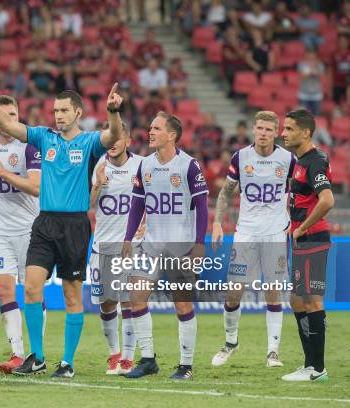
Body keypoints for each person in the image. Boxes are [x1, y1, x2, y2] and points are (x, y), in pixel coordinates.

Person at [0, 69, 123, 378]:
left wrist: (112, 112)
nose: (58, 116)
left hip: (75, 225)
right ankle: (37, 356)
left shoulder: (90, 142)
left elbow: (114, 136)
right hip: (44, 223)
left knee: (71, 294)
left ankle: (66, 362)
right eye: (55, 110)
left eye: (64, 110)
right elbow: (5, 123)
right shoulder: (43, 137)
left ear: (78, 112)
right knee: (31, 288)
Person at [122, 111, 208, 380]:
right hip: (150, 245)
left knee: (182, 305)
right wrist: (128, 237)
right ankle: (148, 360)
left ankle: (186, 365)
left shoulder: (189, 166)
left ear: (171, 135)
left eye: (156, 128)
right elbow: (137, 204)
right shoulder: (144, 165)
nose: (150, 132)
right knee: (136, 296)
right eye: (150, 127)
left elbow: (203, 207)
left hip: (180, 247)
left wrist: (199, 245)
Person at [210, 111, 295, 368]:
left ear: (276, 132)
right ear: (253, 129)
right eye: (259, 128)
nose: (263, 133)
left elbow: (298, 192)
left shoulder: (288, 159)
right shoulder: (241, 157)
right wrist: (216, 222)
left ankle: (273, 352)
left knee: (273, 293)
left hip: (275, 234)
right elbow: (226, 193)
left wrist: (294, 220)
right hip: (245, 233)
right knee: (234, 292)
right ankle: (230, 343)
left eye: (269, 130)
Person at [0, 95, 41, 373]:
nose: (12, 120)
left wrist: (2, 172)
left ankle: (36, 352)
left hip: (29, 230)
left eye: (15, 114)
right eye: (6, 115)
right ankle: (17, 354)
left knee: (32, 291)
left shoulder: (29, 146)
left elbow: (35, 187)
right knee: (4, 290)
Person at [281, 109, 334, 382]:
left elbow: (327, 200)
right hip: (301, 240)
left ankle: (318, 368)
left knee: (312, 301)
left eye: (289, 129)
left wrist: (301, 227)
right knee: (297, 300)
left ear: (305, 132)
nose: (284, 133)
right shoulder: (300, 160)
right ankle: (309, 364)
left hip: (312, 238)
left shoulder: (315, 161)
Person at [89, 122, 142, 375]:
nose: (113, 142)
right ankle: (114, 353)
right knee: (107, 303)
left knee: (129, 301)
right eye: (110, 138)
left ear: (128, 141)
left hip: (130, 245)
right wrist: (97, 184)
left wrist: (144, 227)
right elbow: (86, 205)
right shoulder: (98, 166)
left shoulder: (141, 166)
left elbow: (151, 200)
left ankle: (128, 358)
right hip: (102, 245)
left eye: (118, 137)